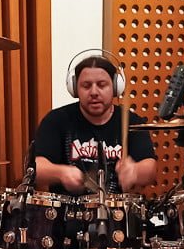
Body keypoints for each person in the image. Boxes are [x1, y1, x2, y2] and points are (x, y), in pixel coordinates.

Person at [35, 53, 157, 194]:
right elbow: (36, 168)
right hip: (67, 213)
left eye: (101, 85)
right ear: (75, 89)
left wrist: (135, 171)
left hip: (118, 213)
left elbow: (150, 169)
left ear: (115, 87)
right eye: (86, 86)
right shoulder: (57, 120)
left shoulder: (132, 122)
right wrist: (61, 173)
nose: (94, 92)